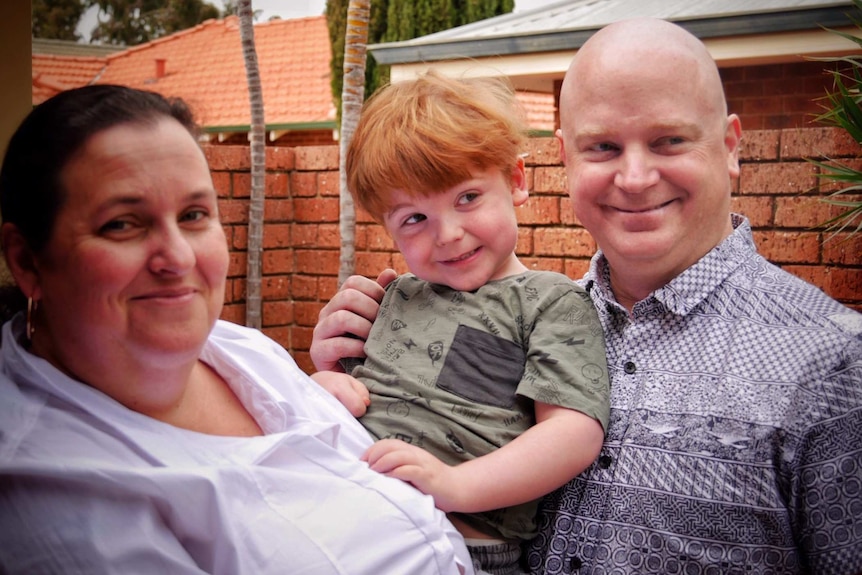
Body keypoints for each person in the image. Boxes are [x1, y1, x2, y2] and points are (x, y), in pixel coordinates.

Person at [310, 18, 862, 575]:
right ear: (565, 160)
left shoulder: (835, 366)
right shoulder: (526, 317)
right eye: (602, 146)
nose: (637, 176)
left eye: (669, 140)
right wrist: (345, 368)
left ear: (728, 146)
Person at [0, 84, 474, 574]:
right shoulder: (55, 498)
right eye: (122, 224)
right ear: (28, 261)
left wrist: (351, 379)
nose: (179, 257)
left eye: (193, 215)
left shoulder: (241, 350)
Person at [311, 73, 609, 575]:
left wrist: (456, 485)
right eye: (414, 219)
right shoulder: (395, 297)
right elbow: (360, 396)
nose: (447, 234)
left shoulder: (546, 302)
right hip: (349, 517)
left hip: (464, 544)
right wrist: (325, 385)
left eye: (467, 198)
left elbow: (574, 432)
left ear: (515, 180)